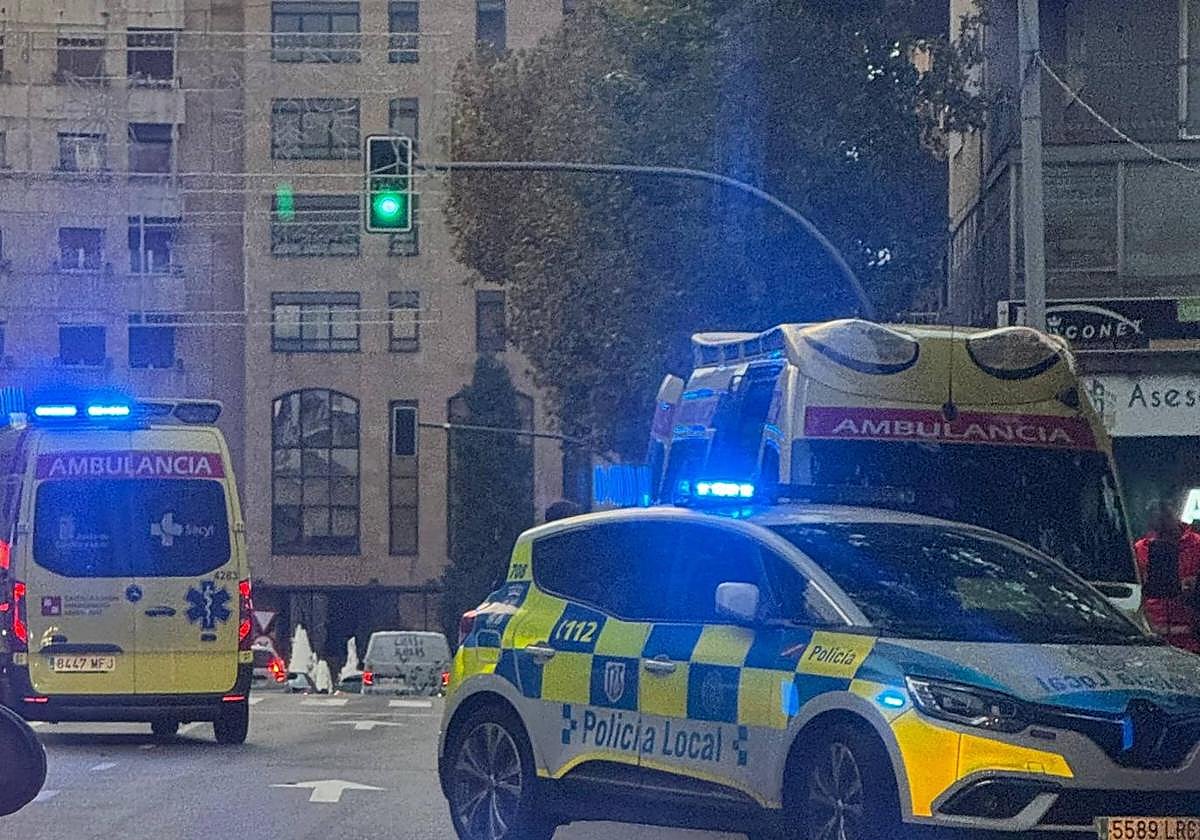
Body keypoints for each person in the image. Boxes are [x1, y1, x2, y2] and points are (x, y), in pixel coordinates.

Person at [1133, 500, 1200, 652]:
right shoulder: (1140, 548)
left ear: (1176, 515)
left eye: (1166, 518)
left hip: (1192, 638)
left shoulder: (1197, 545)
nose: (1162, 527)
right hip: (1151, 638)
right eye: (1156, 524)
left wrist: (1193, 586)